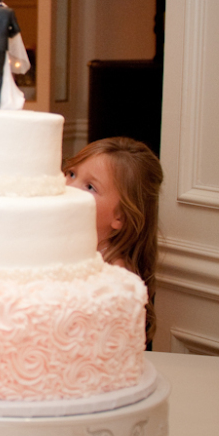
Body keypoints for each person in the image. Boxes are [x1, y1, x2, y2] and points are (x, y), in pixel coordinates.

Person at [63, 137, 163, 348]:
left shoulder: (115, 278)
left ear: (120, 216)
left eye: (90, 187)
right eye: (71, 174)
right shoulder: (65, 247)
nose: (69, 187)